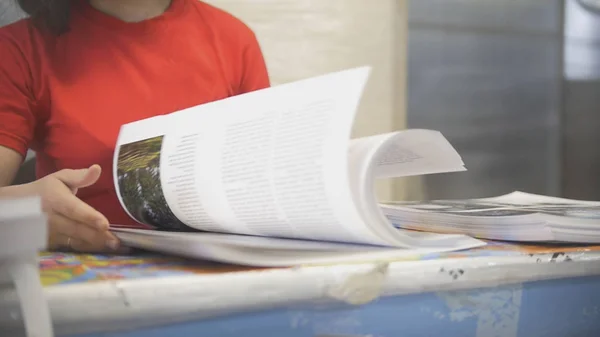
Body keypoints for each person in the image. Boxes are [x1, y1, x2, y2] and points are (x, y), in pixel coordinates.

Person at [0, 0, 270, 253]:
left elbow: (261, 185)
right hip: (83, 285)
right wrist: (22, 210)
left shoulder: (234, 40)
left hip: (221, 276)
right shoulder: (19, 49)